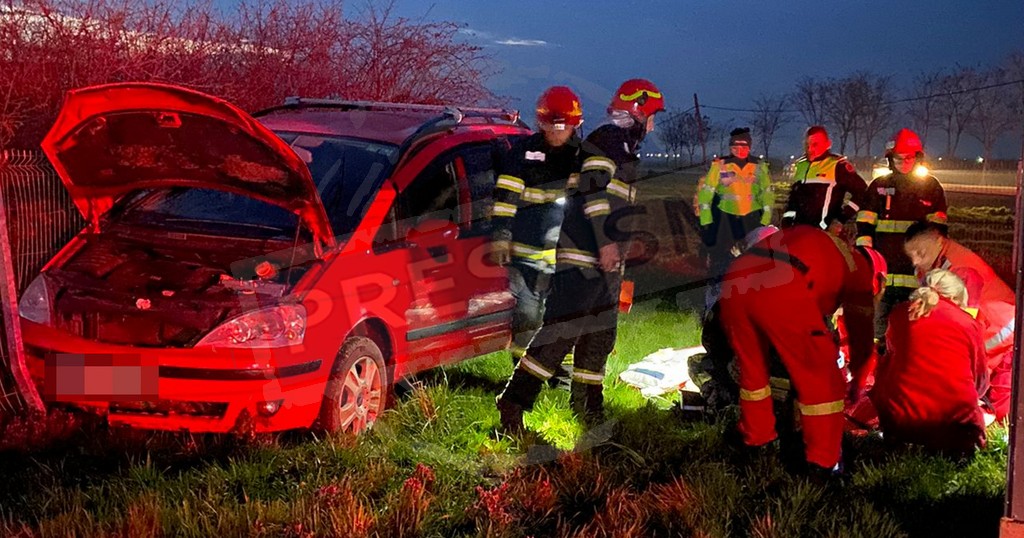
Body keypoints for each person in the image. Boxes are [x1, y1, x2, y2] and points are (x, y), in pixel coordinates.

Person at [496, 78, 664, 432]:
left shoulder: (622, 146)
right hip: (583, 257)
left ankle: (588, 409)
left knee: (599, 338)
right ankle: (513, 403)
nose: (653, 125)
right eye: (652, 116)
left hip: (605, 263)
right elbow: (594, 192)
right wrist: (605, 242)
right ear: (638, 111)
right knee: (559, 335)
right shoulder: (607, 140)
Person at [717, 224, 879, 477]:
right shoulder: (858, 267)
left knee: (754, 374)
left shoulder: (814, 241)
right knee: (823, 381)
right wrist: (858, 379)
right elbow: (861, 335)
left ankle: (755, 442)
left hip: (735, 280)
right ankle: (823, 464)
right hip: (783, 285)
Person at [490, 86, 583, 371]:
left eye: (562, 127)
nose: (556, 133)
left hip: (565, 257)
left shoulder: (583, 158)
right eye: (550, 126)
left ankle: (562, 377)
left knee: (563, 318)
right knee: (528, 316)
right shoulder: (523, 152)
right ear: (541, 123)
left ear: (574, 125)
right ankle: (523, 373)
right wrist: (501, 235)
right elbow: (506, 198)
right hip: (525, 253)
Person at [904, 221, 1016, 420]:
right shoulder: (933, 264)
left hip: (1005, 339)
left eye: (920, 253)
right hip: (992, 338)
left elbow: (962, 327)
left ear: (939, 241)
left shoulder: (963, 269)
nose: (915, 261)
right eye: (911, 255)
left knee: (1001, 411)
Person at [870, 269, 988, 457]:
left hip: (900, 421)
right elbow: (980, 377)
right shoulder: (967, 323)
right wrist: (977, 397)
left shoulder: (900, 313)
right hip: (955, 424)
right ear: (955, 298)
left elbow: (889, 363)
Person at [855, 128, 947, 346]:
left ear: (917, 158)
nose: (904, 163)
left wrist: (929, 265)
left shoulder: (931, 187)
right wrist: (868, 260)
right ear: (890, 159)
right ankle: (877, 362)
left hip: (916, 275)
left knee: (911, 332)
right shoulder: (879, 186)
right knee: (877, 331)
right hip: (882, 275)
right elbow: (864, 226)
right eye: (898, 158)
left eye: (909, 158)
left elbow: (939, 230)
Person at [695, 127, 773, 312]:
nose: (739, 150)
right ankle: (713, 307)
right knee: (720, 265)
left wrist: (763, 225)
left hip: (752, 223)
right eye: (735, 146)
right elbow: (706, 196)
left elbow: (767, 197)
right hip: (725, 222)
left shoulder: (759, 167)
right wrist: (707, 226)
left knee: (753, 266)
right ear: (730, 147)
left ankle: (749, 306)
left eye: (744, 146)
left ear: (750, 147)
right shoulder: (720, 165)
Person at [782, 126, 867, 234]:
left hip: (826, 233)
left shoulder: (837, 165)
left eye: (815, 145)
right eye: (807, 145)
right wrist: (787, 222)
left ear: (828, 144)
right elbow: (793, 199)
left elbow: (862, 192)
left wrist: (841, 219)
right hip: (799, 232)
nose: (810, 149)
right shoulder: (801, 165)